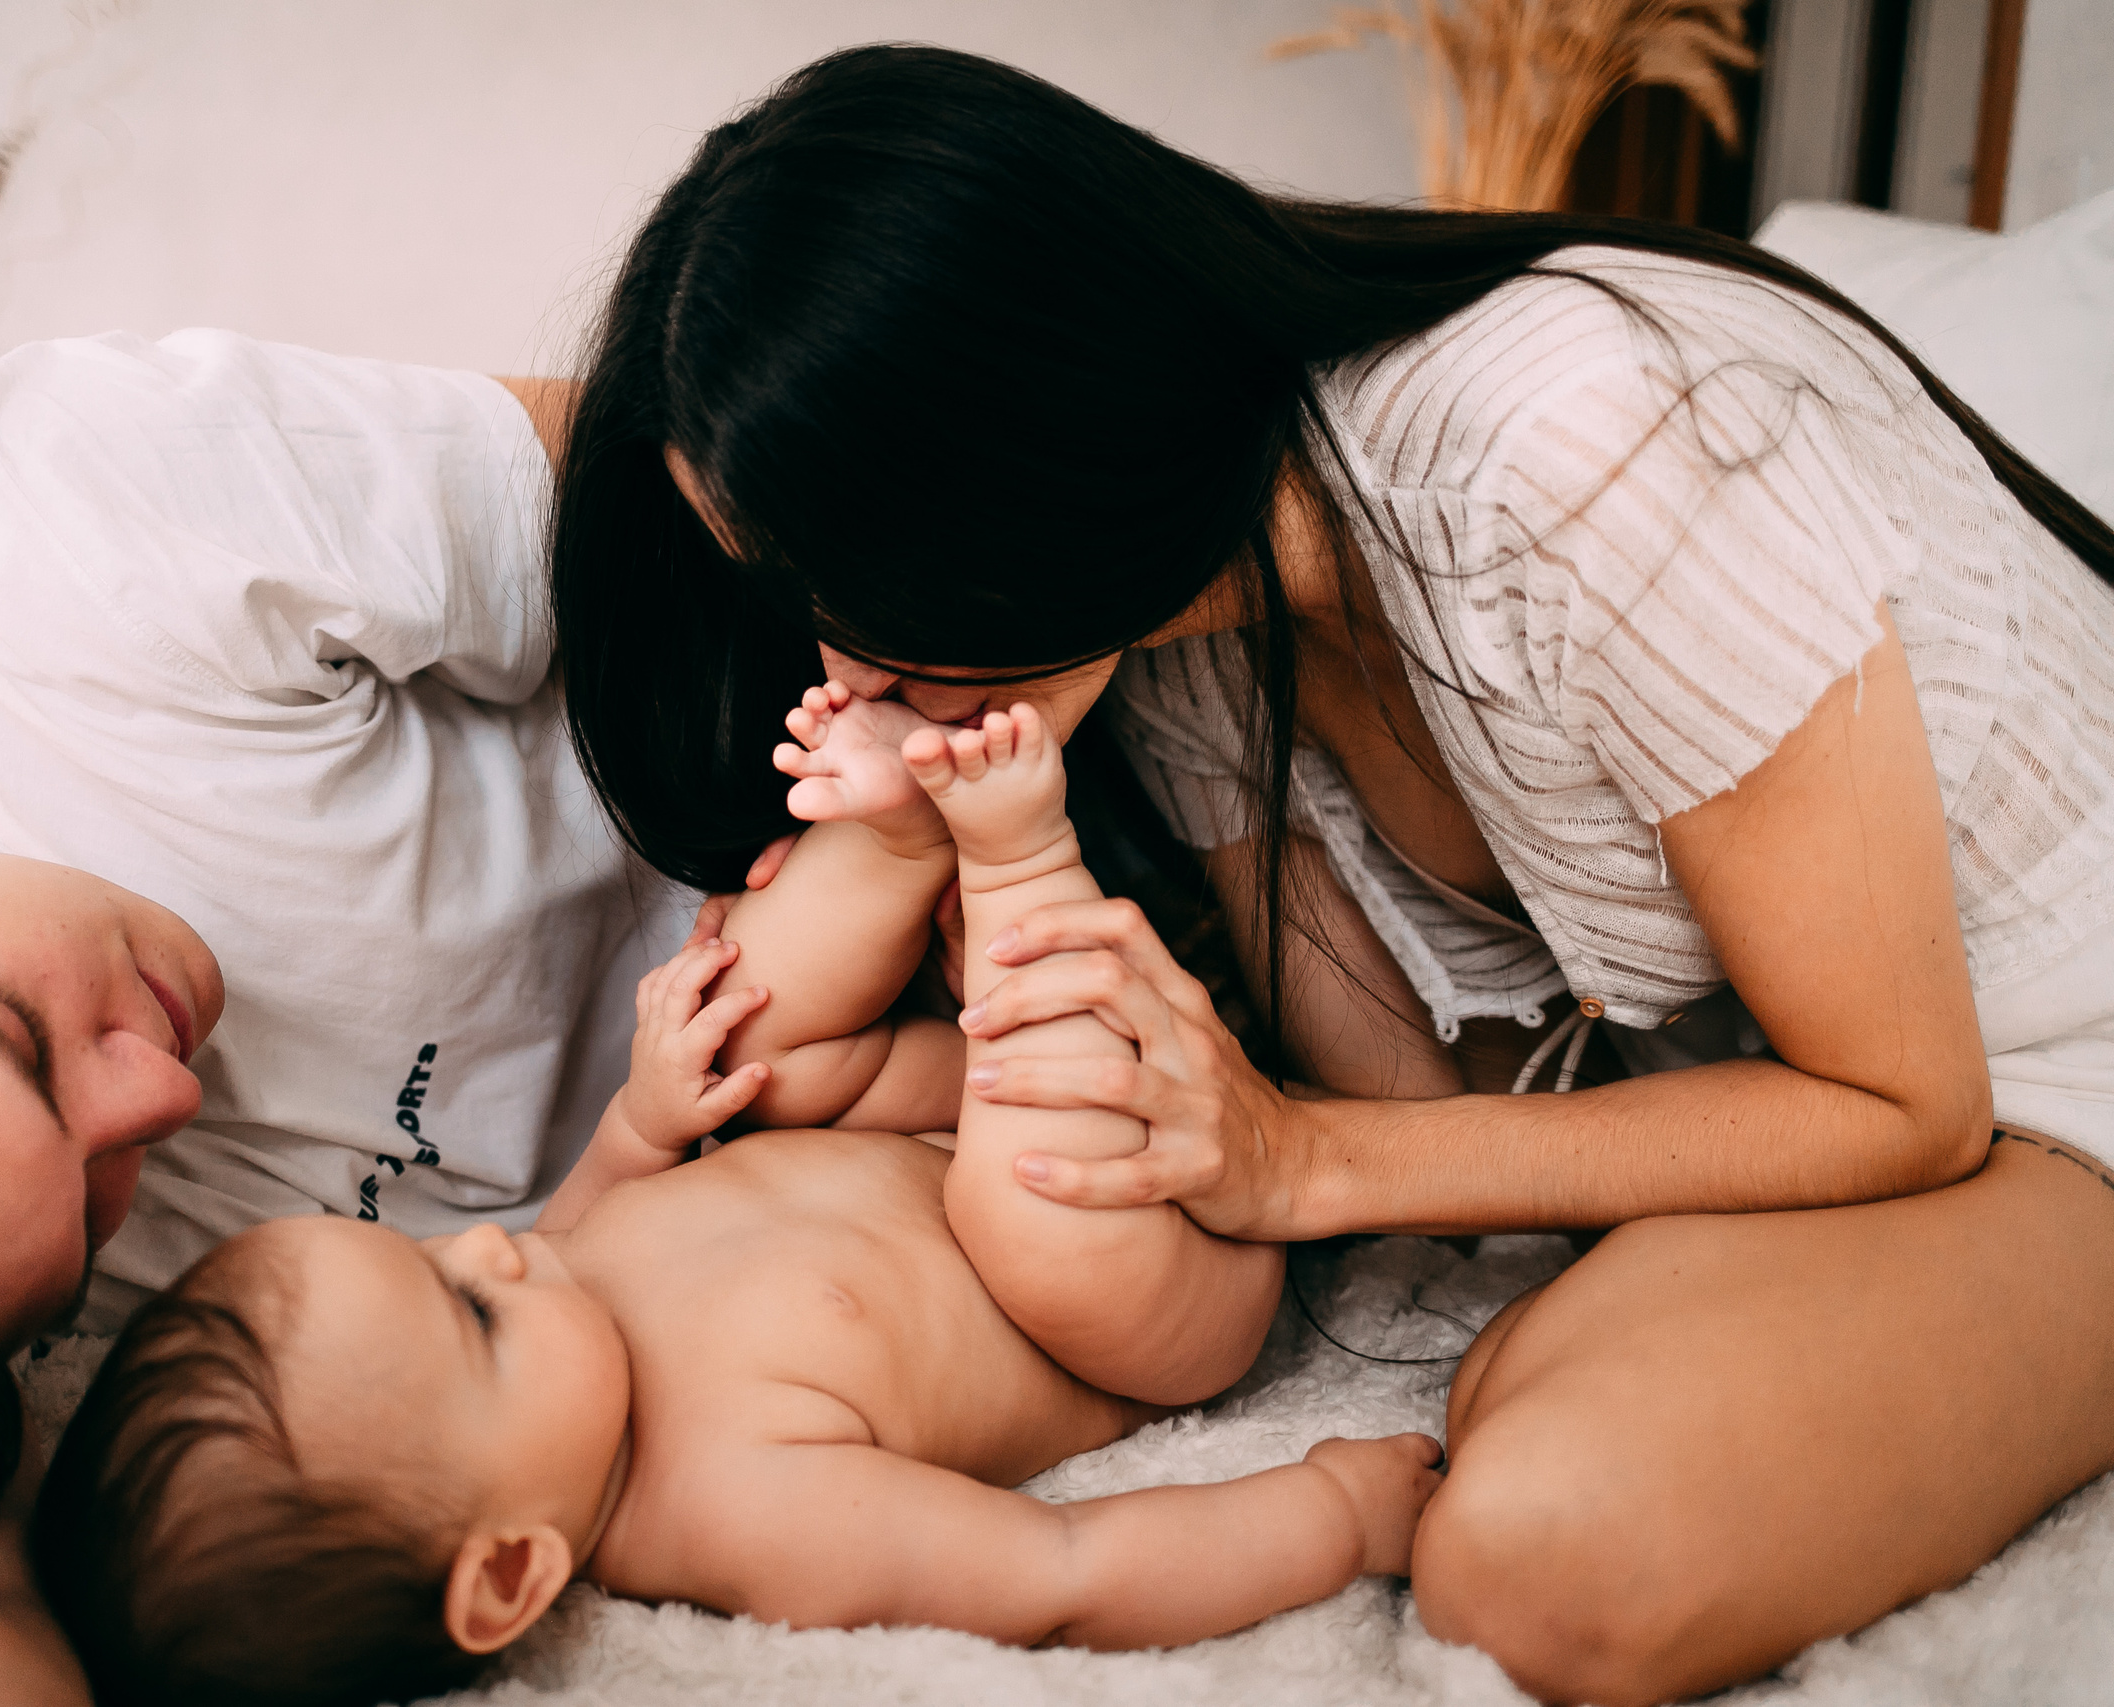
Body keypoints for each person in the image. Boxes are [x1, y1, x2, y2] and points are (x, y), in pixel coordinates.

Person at [548, 44, 2114, 1707]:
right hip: (1770, 1085)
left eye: (842, 581)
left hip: (2032, 1071)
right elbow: (1409, 1100)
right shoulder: (1180, 621)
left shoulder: (1580, 442)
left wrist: (1297, 1160)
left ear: (1016, 457)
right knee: (1507, 1420)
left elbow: (1900, 1106)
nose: (838, 661)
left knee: (1545, 1562)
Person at [0, 332, 682, 1700]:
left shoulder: (22, 535)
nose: (161, 1095)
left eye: (16, 1036)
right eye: (93, 1222)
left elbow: (699, 482)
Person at [28, 686, 1438, 1706]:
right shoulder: (740, 1516)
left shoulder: (549, 1292)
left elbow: (600, 1191)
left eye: (437, 1260)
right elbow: (1063, 1569)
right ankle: (1019, 856)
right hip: (1131, 1280)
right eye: (472, 1322)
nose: (495, 1260)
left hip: (939, 1109)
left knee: (745, 1053)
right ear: (512, 1577)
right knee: (1034, 1219)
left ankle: (894, 832)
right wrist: (1331, 1517)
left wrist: (652, 1111)